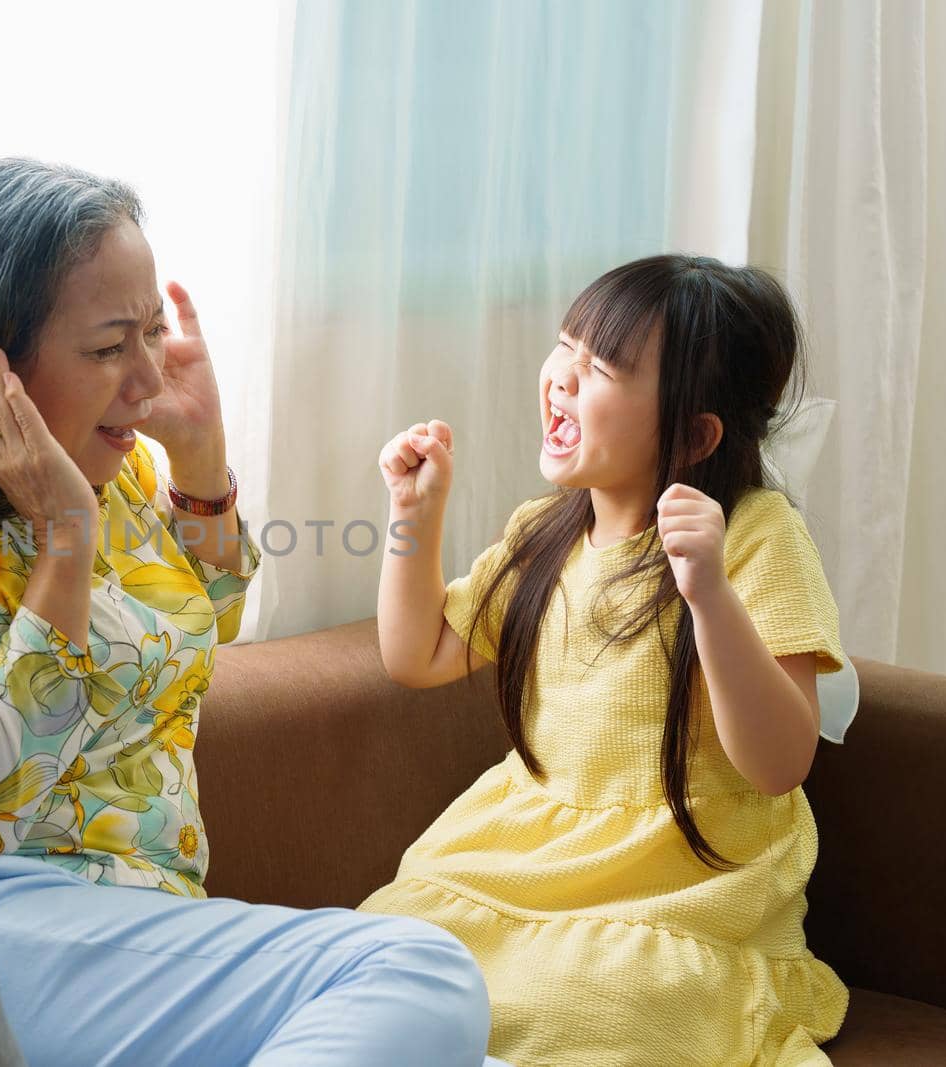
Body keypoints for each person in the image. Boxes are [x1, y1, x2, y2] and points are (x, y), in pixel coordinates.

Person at [0, 158, 496, 1066]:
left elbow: (200, 625)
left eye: (153, 332)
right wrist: (64, 541)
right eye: (107, 347)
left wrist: (201, 459)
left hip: (138, 920)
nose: (144, 378)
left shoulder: (110, 468)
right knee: (416, 971)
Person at [362, 255, 850, 1065]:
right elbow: (418, 654)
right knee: (385, 954)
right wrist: (413, 515)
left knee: (589, 1008)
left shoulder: (758, 535)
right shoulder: (544, 531)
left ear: (694, 434)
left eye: (600, 369)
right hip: (516, 861)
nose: (562, 379)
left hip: (678, 887)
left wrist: (710, 596)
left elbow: (779, 762)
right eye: (566, 348)